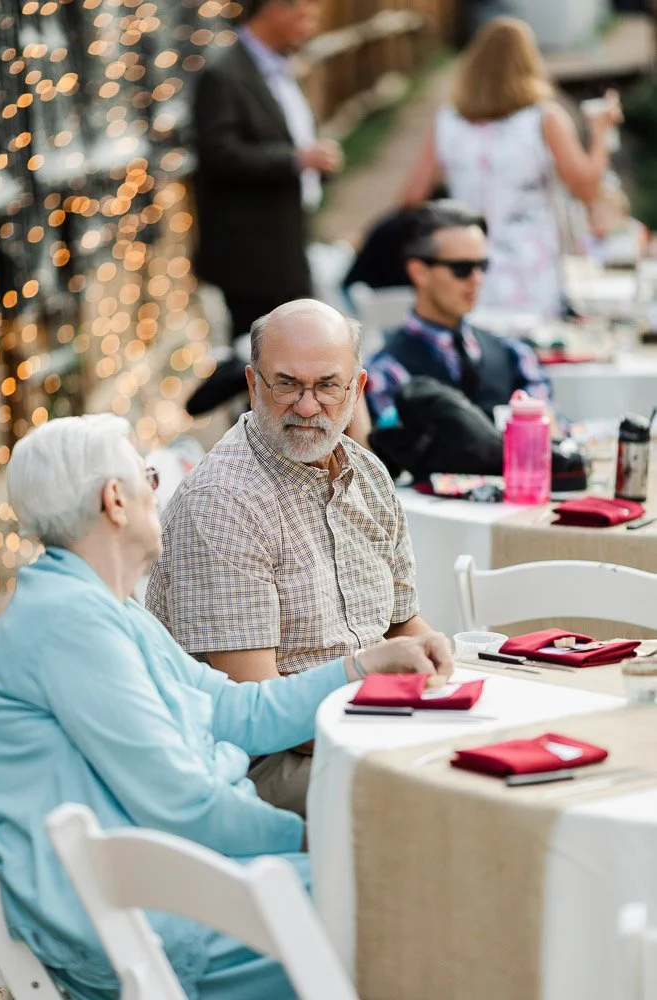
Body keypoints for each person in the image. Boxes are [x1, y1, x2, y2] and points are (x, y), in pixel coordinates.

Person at [0, 414, 453, 1000]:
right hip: (134, 920)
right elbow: (183, 803)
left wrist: (360, 667)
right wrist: (317, 836)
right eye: (148, 477)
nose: (156, 491)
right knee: (404, 893)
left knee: (404, 880)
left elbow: (235, 710)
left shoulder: (107, 608)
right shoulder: (69, 622)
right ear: (115, 500)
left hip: (167, 881)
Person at [147, 299, 444, 815]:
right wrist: (403, 730)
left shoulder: (367, 476)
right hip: (257, 765)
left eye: (327, 385)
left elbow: (403, 625)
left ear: (356, 388)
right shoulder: (224, 502)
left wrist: (438, 667)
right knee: (434, 800)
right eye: (286, 384)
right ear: (254, 383)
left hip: (363, 723)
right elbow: (255, 715)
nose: (307, 407)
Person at [401, 16, 623, 318]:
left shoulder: (448, 122)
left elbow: (413, 196)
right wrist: (601, 133)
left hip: (468, 265)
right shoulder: (544, 117)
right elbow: (586, 189)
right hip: (530, 265)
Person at [192, 0, 343, 340]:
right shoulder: (223, 74)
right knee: (264, 358)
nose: (310, 27)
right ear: (277, 10)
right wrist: (295, 159)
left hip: (287, 238)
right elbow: (219, 154)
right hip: (252, 257)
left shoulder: (279, 67)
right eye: (305, 16)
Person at [364, 200, 552, 424]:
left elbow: (553, 431)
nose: (476, 279)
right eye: (461, 269)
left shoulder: (514, 354)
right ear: (419, 272)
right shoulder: (386, 373)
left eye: (482, 266)